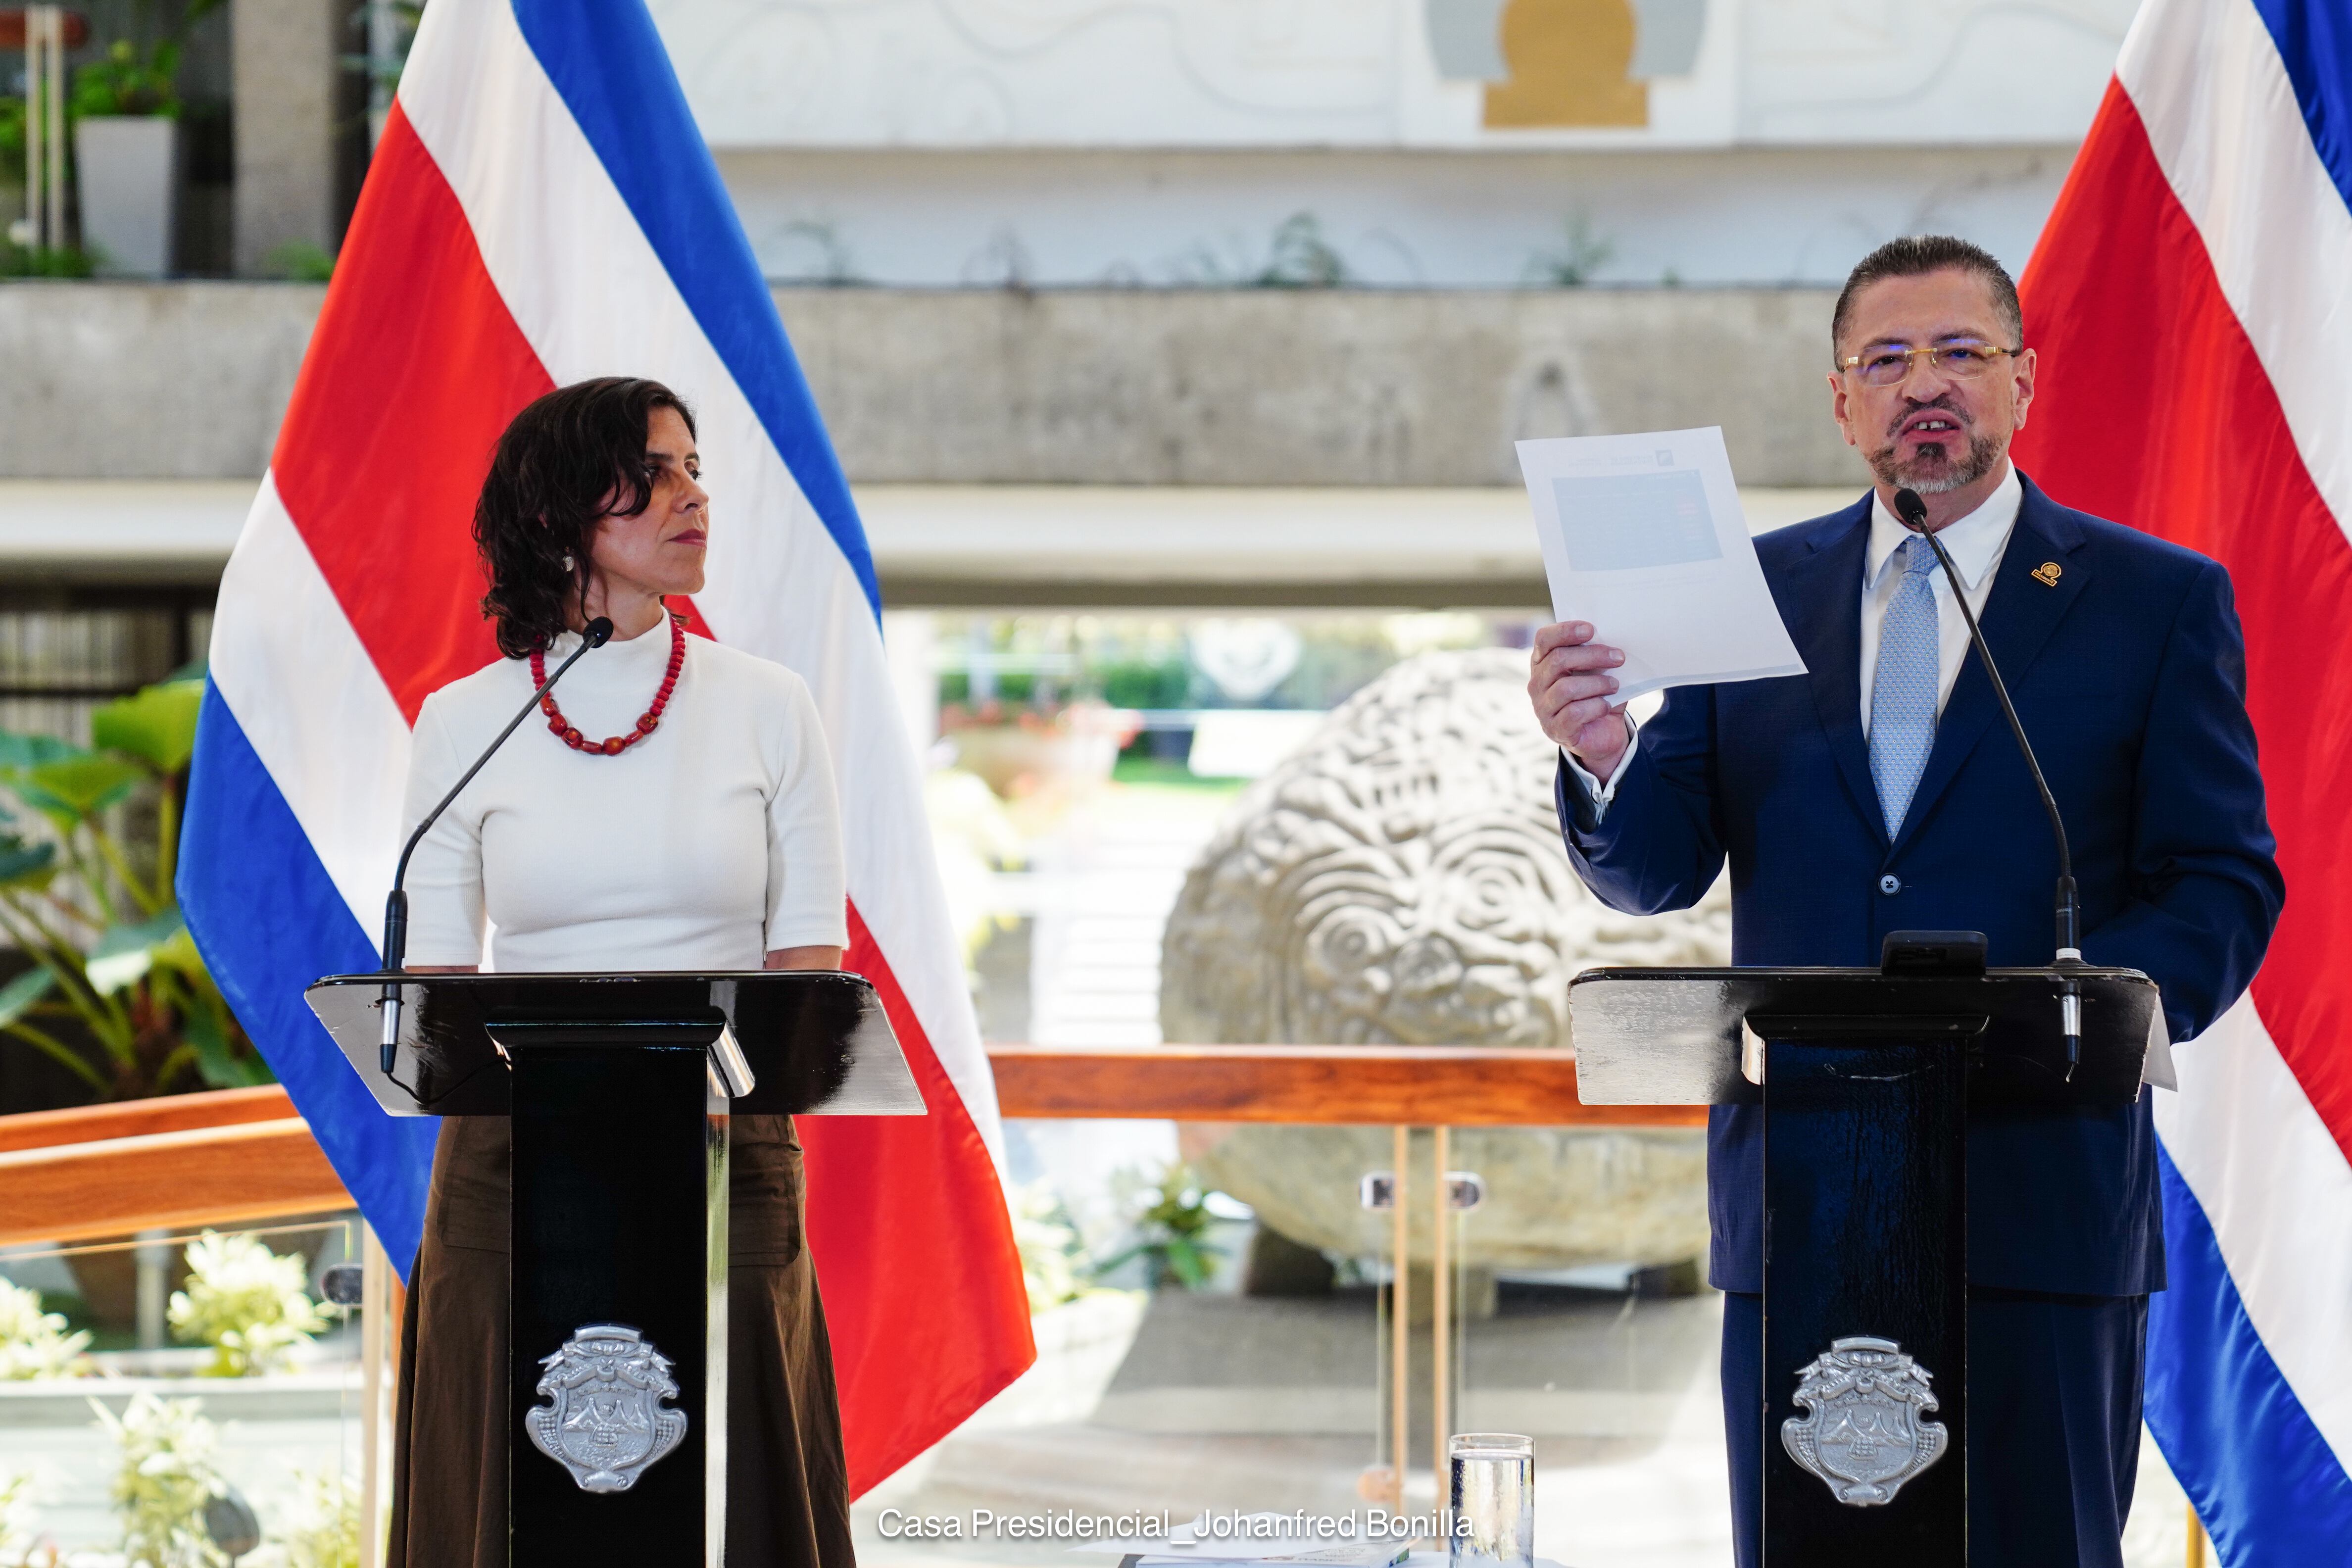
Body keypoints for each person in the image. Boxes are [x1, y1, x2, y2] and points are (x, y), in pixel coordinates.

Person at [1527, 236, 2282, 1565]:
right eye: (1885, 359)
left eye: (1958, 352)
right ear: (1842, 401)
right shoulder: (1749, 595)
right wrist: (1602, 759)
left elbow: (2221, 880)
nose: (1922, 384)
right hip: (1802, 1216)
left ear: (2022, 382)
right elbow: (1657, 867)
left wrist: (2079, 1012)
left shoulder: (2154, 601)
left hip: (2042, 1208)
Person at [387, 376, 856, 1568]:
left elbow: (807, 969)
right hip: (515, 1154)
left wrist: (717, 1093)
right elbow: (439, 997)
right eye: (653, 474)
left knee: (740, 1480)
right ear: (558, 513)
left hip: (721, 1142)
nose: (693, 496)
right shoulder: (465, 724)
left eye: (696, 469)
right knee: (497, 1476)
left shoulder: (772, 708)